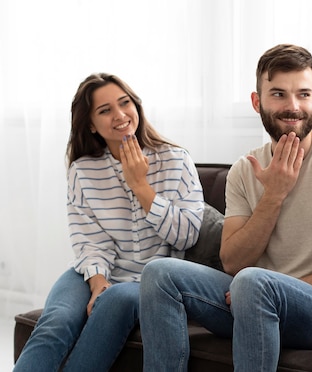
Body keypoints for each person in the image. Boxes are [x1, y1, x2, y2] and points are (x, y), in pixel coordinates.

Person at [139, 44, 312, 371]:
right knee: (159, 273)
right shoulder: (244, 169)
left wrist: (277, 289)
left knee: (253, 282)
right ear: (258, 102)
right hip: (249, 299)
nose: (293, 106)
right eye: (279, 94)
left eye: (304, 94)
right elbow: (232, 261)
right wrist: (274, 195)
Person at [13, 73, 205, 372]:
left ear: (136, 106)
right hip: (93, 272)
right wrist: (98, 279)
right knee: (56, 321)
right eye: (105, 110)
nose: (120, 115)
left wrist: (141, 187)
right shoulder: (83, 170)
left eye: (124, 103)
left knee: (119, 297)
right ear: (91, 124)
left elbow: (187, 237)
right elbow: (88, 239)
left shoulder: (176, 160)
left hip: (148, 284)